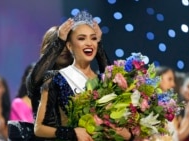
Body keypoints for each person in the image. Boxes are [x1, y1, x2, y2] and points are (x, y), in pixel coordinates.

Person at [8, 12, 110, 140]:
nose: (63, 50)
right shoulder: (46, 78)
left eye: (66, 44)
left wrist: (97, 43)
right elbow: (35, 80)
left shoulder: (87, 77)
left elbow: (110, 81)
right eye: (58, 45)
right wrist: (59, 40)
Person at [34, 11, 133, 141]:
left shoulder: (103, 81)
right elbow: (39, 129)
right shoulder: (56, 79)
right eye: (81, 38)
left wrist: (128, 135)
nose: (89, 43)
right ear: (69, 46)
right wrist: (72, 133)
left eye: (93, 38)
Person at [151, 66, 178, 141]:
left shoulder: (171, 105)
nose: (173, 84)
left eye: (173, 80)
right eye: (170, 79)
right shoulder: (148, 104)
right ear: (159, 79)